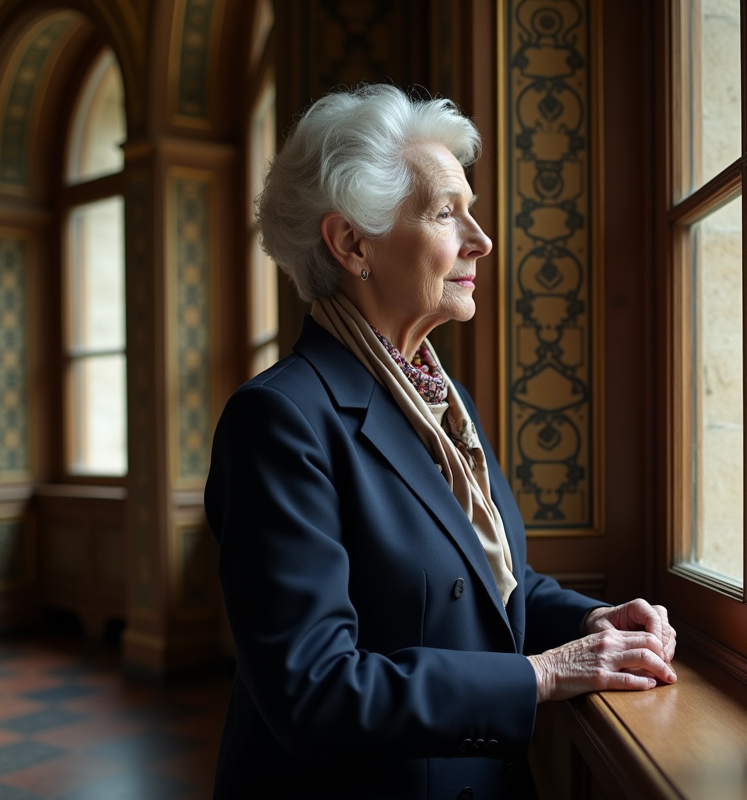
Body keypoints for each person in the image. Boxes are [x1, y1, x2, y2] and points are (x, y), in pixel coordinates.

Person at [205, 84, 677, 800]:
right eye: (446, 213)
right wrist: (543, 674)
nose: (481, 240)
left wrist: (590, 620)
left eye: (473, 213)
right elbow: (313, 688)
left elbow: (477, 592)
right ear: (351, 242)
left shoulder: (436, 399)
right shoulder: (278, 421)